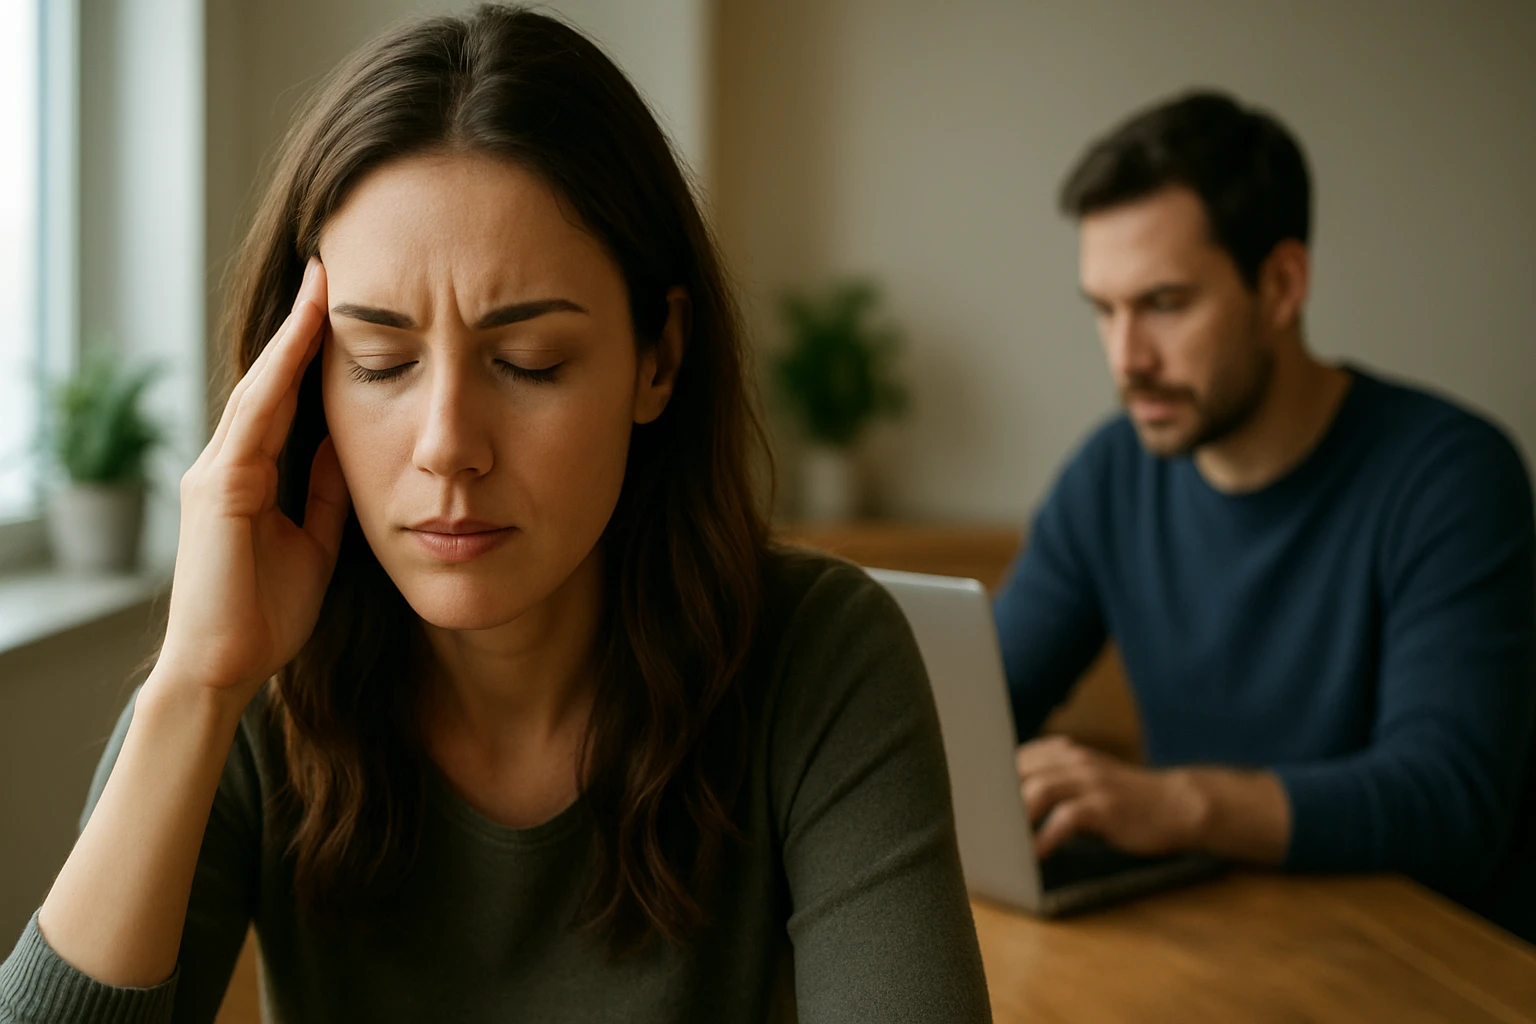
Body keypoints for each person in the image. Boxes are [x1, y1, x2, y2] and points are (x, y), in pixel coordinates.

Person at [0, 7, 991, 1021]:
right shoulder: (252, 691)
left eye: (528, 362)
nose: (446, 444)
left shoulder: (820, 660)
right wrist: (192, 689)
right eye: (378, 363)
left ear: (659, 357)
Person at [995, 90, 1536, 940]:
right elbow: (986, 703)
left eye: (1165, 303)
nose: (1127, 358)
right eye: (1105, 310)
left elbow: (1450, 803)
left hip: (1428, 959)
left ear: (1282, 284)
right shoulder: (1110, 474)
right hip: (1224, 943)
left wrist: (1181, 803)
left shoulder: (1451, 475)